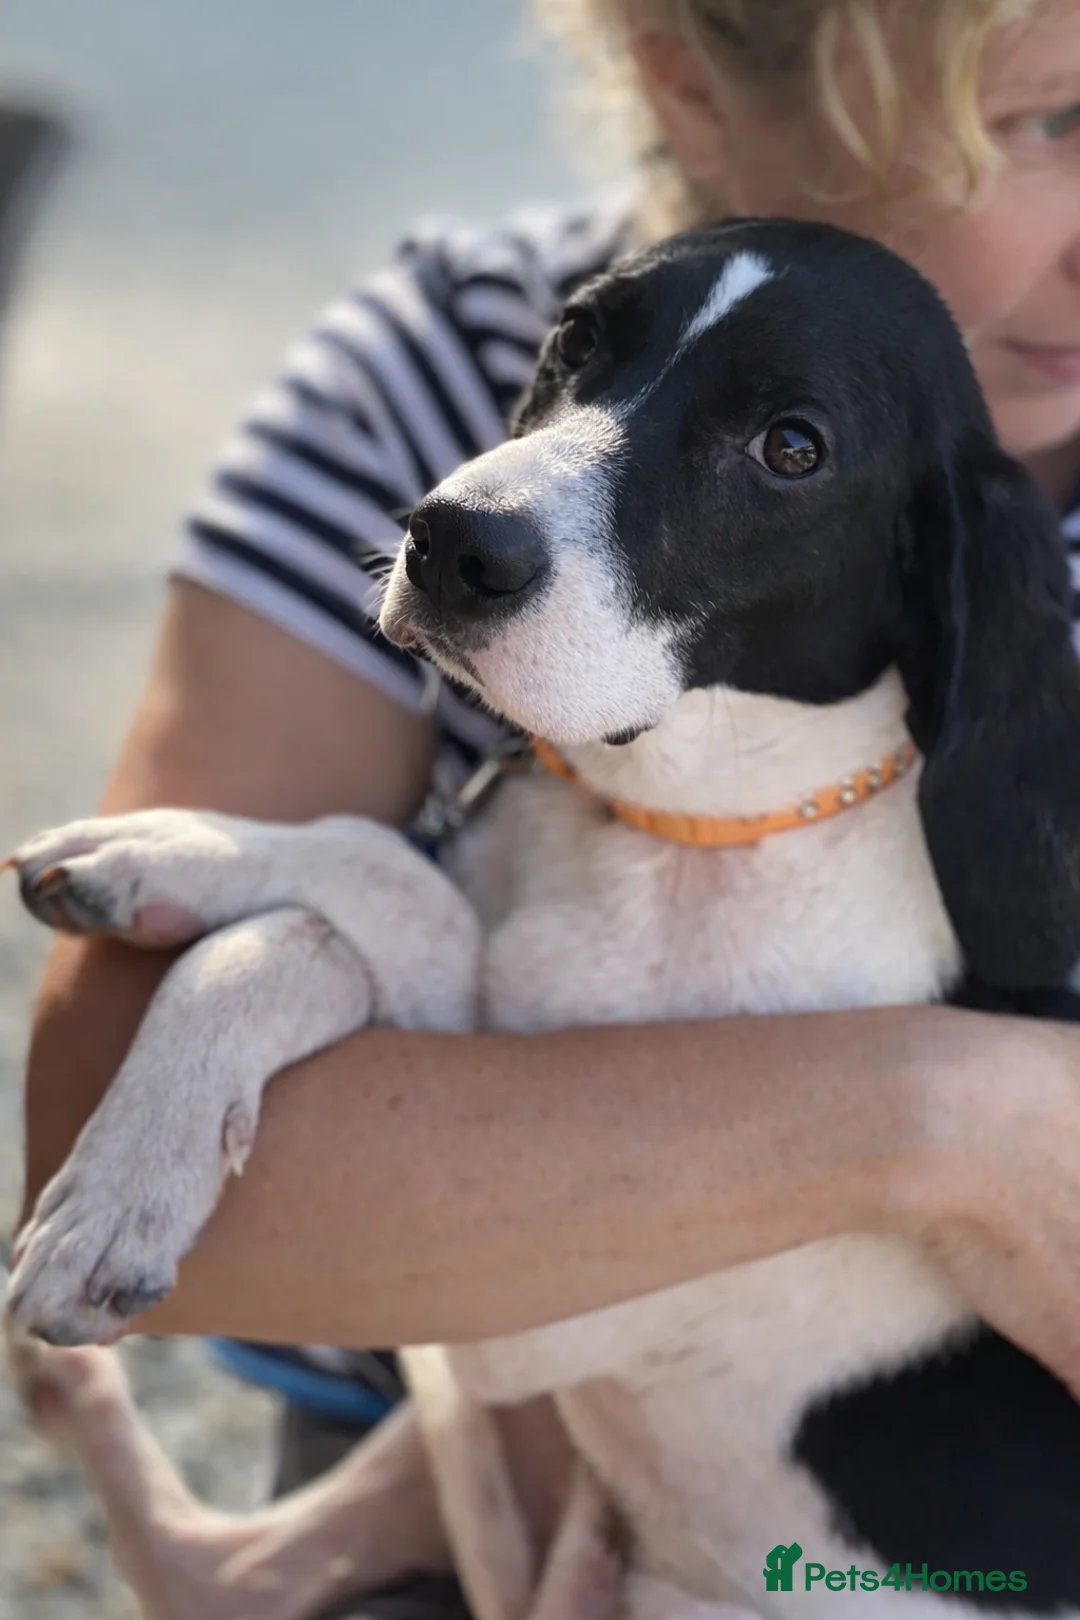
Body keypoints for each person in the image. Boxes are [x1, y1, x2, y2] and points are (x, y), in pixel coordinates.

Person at [15, 2, 1080, 1616]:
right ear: (686, 75)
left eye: (788, 444)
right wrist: (959, 1121)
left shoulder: (954, 666)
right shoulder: (434, 354)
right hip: (503, 1467)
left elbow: (513, 1288)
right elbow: (126, 1186)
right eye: (1053, 122)